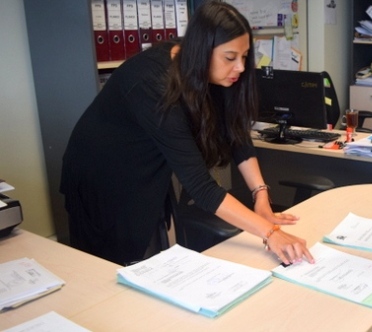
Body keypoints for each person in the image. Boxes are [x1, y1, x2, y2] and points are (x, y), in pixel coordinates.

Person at [60, 0, 314, 267]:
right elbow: (202, 187)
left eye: (244, 56)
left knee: (150, 258)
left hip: (147, 167)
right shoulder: (153, 83)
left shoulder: (207, 70)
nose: (240, 67)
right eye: (230, 58)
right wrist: (270, 233)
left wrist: (261, 197)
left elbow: (236, 133)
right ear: (202, 51)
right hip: (101, 177)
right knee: (112, 269)